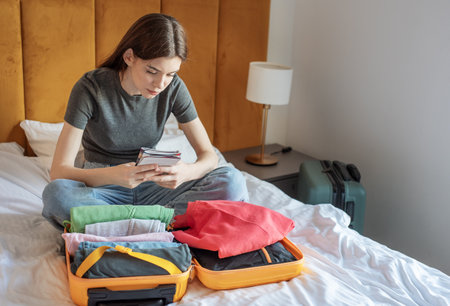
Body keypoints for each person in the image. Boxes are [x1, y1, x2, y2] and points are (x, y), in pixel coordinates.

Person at [42, 13, 248, 230]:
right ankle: (162, 222)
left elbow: (209, 156)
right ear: (129, 57)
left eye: (170, 74)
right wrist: (114, 175)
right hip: (103, 188)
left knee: (232, 181)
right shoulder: (90, 88)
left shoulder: (174, 87)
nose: (161, 83)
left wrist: (187, 171)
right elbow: (59, 171)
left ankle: (124, 225)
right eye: (152, 71)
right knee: (57, 195)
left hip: (154, 187)